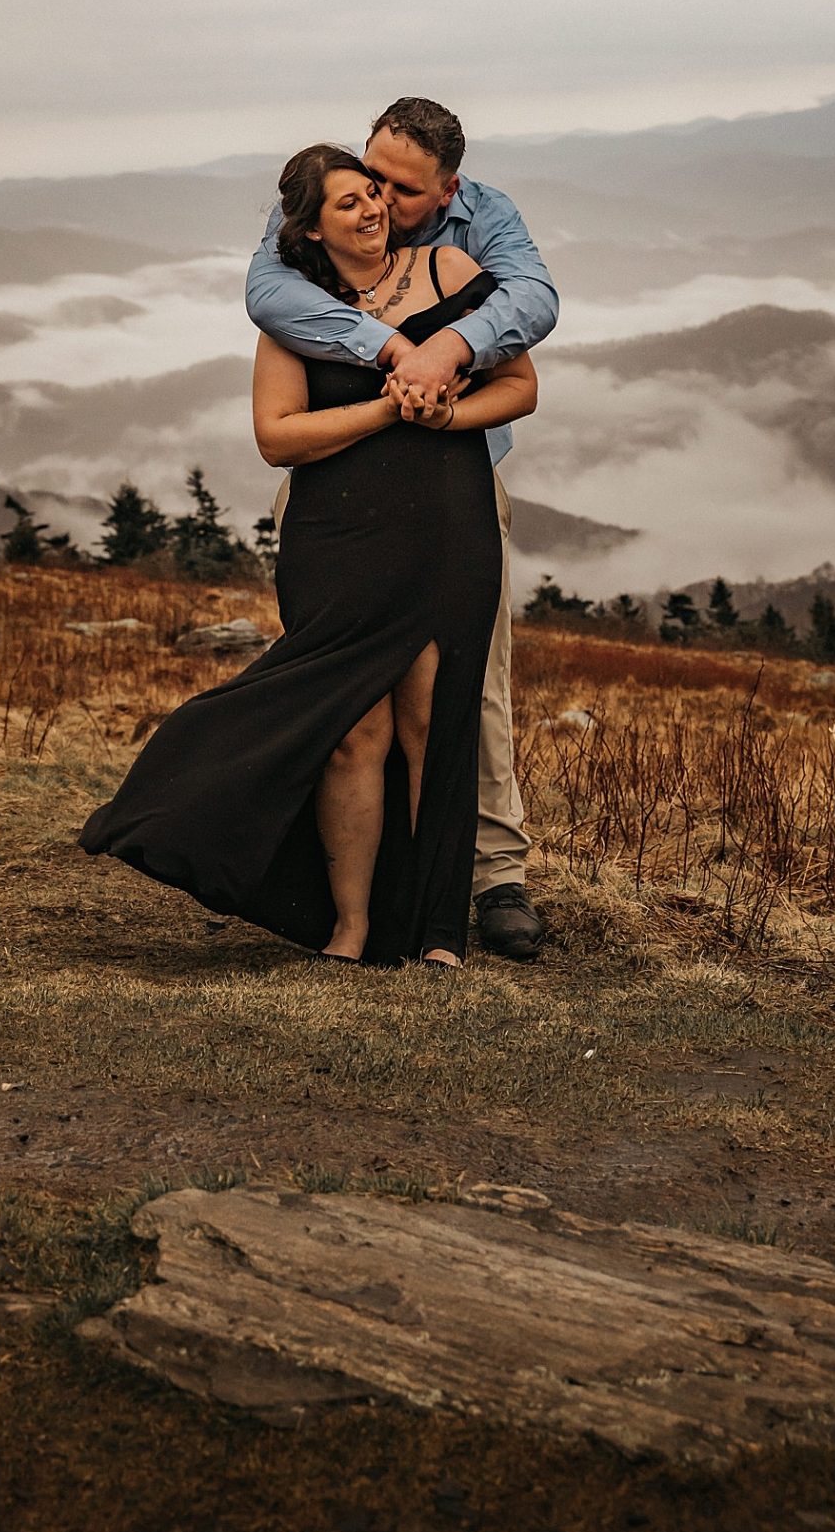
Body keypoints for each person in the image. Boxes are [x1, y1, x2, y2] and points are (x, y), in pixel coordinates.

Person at [79, 144, 539, 968]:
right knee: (352, 731)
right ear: (309, 230)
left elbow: (520, 388)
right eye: (350, 203)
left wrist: (441, 419)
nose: (373, 209)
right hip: (339, 536)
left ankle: (438, 934)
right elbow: (277, 437)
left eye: (375, 194)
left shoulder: (448, 267)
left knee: (435, 723)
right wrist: (389, 410)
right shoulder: (295, 311)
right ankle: (352, 928)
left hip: (447, 527)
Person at [245, 97, 559, 960]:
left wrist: (448, 355)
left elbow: (533, 304)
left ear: (447, 188)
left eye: (399, 188)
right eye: (368, 174)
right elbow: (268, 295)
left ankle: (492, 878)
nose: (378, 195)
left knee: (466, 691)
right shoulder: (313, 215)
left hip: (455, 493)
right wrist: (393, 361)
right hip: (335, 504)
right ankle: (331, 890)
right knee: (340, 695)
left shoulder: (478, 230)